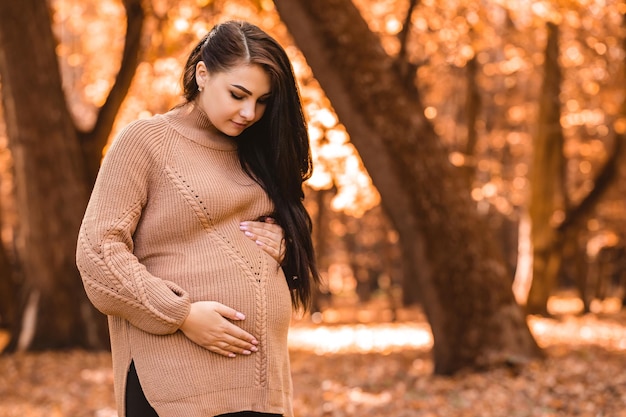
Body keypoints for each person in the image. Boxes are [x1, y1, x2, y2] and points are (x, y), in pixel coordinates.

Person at [76, 20, 320, 417]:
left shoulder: (259, 153)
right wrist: (181, 314)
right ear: (202, 74)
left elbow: (276, 236)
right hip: (177, 379)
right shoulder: (146, 142)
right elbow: (97, 254)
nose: (249, 112)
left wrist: (286, 243)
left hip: (260, 383)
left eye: (262, 101)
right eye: (238, 94)